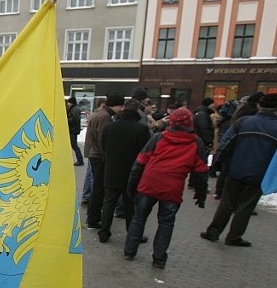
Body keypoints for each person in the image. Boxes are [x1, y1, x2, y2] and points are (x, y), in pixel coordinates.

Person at [123, 108, 208, 268]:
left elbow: (139, 163)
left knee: (139, 219)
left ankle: (129, 251)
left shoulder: (159, 138)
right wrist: (200, 194)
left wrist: (132, 186)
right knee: (166, 223)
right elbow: (201, 172)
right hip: (172, 188)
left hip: (149, 183)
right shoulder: (196, 143)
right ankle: (159, 258)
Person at [201, 93, 277, 247]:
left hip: (237, 168)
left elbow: (226, 143)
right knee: (246, 206)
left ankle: (213, 231)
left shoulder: (244, 122)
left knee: (227, 202)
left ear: (259, 105)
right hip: (261, 173)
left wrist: (217, 163)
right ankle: (234, 237)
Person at [98, 99, 151, 243]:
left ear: (123, 110)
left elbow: (102, 146)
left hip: (111, 171)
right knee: (131, 207)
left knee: (109, 203)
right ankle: (132, 234)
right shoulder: (141, 129)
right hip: (132, 173)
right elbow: (146, 153)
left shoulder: (110, 127)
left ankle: (104, 232)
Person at [84, 92, 124, 229]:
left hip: (93, 154)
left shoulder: (98, 113)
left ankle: (92, 216)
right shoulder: (105, 117)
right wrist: (106, 154)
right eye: (121, 106)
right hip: (99, 156)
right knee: (99, 188)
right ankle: (93, 218)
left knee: (97, 187)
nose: (122, 109)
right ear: (117, 105)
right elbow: (102, 138)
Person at [66, 95, 84, 166]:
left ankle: (80, 160)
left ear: (71, 103)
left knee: (74, 145)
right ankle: (79, 159)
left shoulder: (75, 109)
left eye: (69, 102)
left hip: (73, 130)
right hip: (72, 129)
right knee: (73, 145)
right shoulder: (74, 108)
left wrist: (67, 120)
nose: (68, 104)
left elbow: (73, 119)